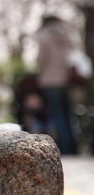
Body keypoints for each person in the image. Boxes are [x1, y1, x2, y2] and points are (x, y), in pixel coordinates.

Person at [35, 15, 78, 154]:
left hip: (51, 80)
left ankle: (64, 149)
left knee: (58, 115)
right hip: (66, 79)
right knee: (69, 115)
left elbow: (41, 58)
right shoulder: (66, 34)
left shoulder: (44, 36)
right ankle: (73, 147)